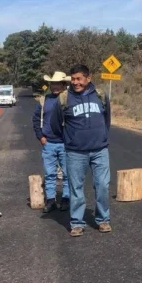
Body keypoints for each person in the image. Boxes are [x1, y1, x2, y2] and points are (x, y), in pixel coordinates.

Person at [50, 64, 111, 237]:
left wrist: (102, 138)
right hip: (75, 152)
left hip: (100, 150)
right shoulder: (64, 99)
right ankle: (77, 222)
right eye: (73, 79)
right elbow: (56, 126)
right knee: (76, 187)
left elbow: (107, 120)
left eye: (79, 79)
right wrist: (70, 139)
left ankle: (103, 219)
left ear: (88, 78)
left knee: (103, 186)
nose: (75, 82)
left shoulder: (100, 96)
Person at [32, 71, 71, 213]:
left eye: (58, 84)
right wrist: (40, 136)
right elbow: (36, 119)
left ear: (63, 85)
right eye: (53, 83)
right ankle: (50, 200)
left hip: (65, 143)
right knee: (49, 174)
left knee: (67, 173)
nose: (55, 86)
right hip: (48, 143)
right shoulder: (44, 100)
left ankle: (66, 199)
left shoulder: (69, 99)